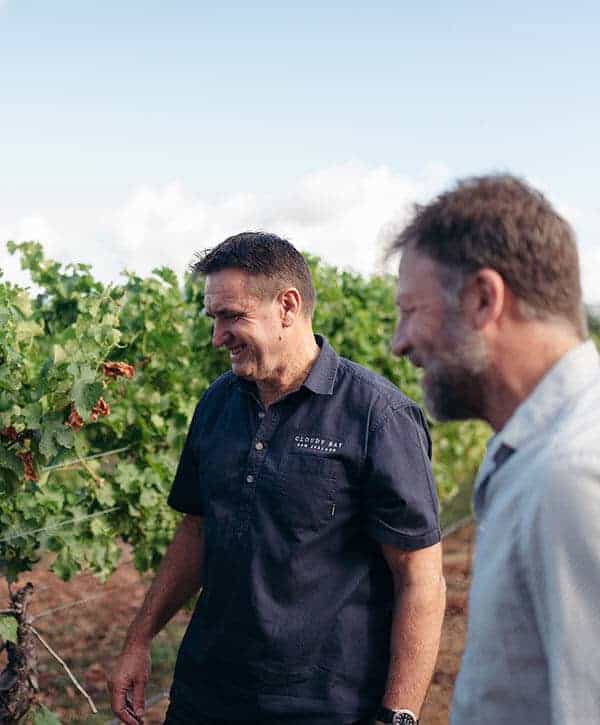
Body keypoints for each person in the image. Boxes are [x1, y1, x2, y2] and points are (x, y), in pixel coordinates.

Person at [109, 232, 446, 725]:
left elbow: (419, 578)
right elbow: (197, 530)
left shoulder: (378, 416)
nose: (217, 336)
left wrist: (398, 716)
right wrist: (138, 639)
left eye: (232, 316)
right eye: (214, 318)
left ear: (287, 306)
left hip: (326, 705)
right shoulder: (216, 403)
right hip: (207, 694)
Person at [390, 174, 600, 724]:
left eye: (412, 311)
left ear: (484, 299)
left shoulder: (570, 474)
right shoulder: (535, 449)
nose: (399, 342)